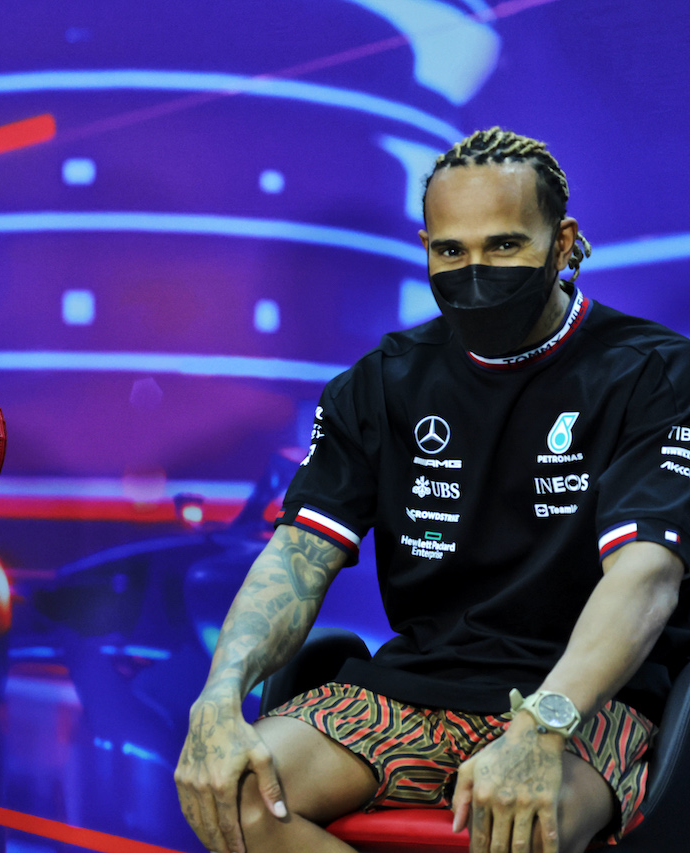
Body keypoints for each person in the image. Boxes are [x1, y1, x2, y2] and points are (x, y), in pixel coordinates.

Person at [174, 128, 690, 853]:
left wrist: (541, 725)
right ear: (426, 247)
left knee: (523, 825)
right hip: (416, 685)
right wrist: (218, 699)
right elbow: (297, 555)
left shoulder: (654, 372)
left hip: (586, 700)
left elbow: (647, 577)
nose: (475, 271)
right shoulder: (382, 381)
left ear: (564, 240)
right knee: (234, 795)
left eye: (505, 246)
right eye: (452, 251)